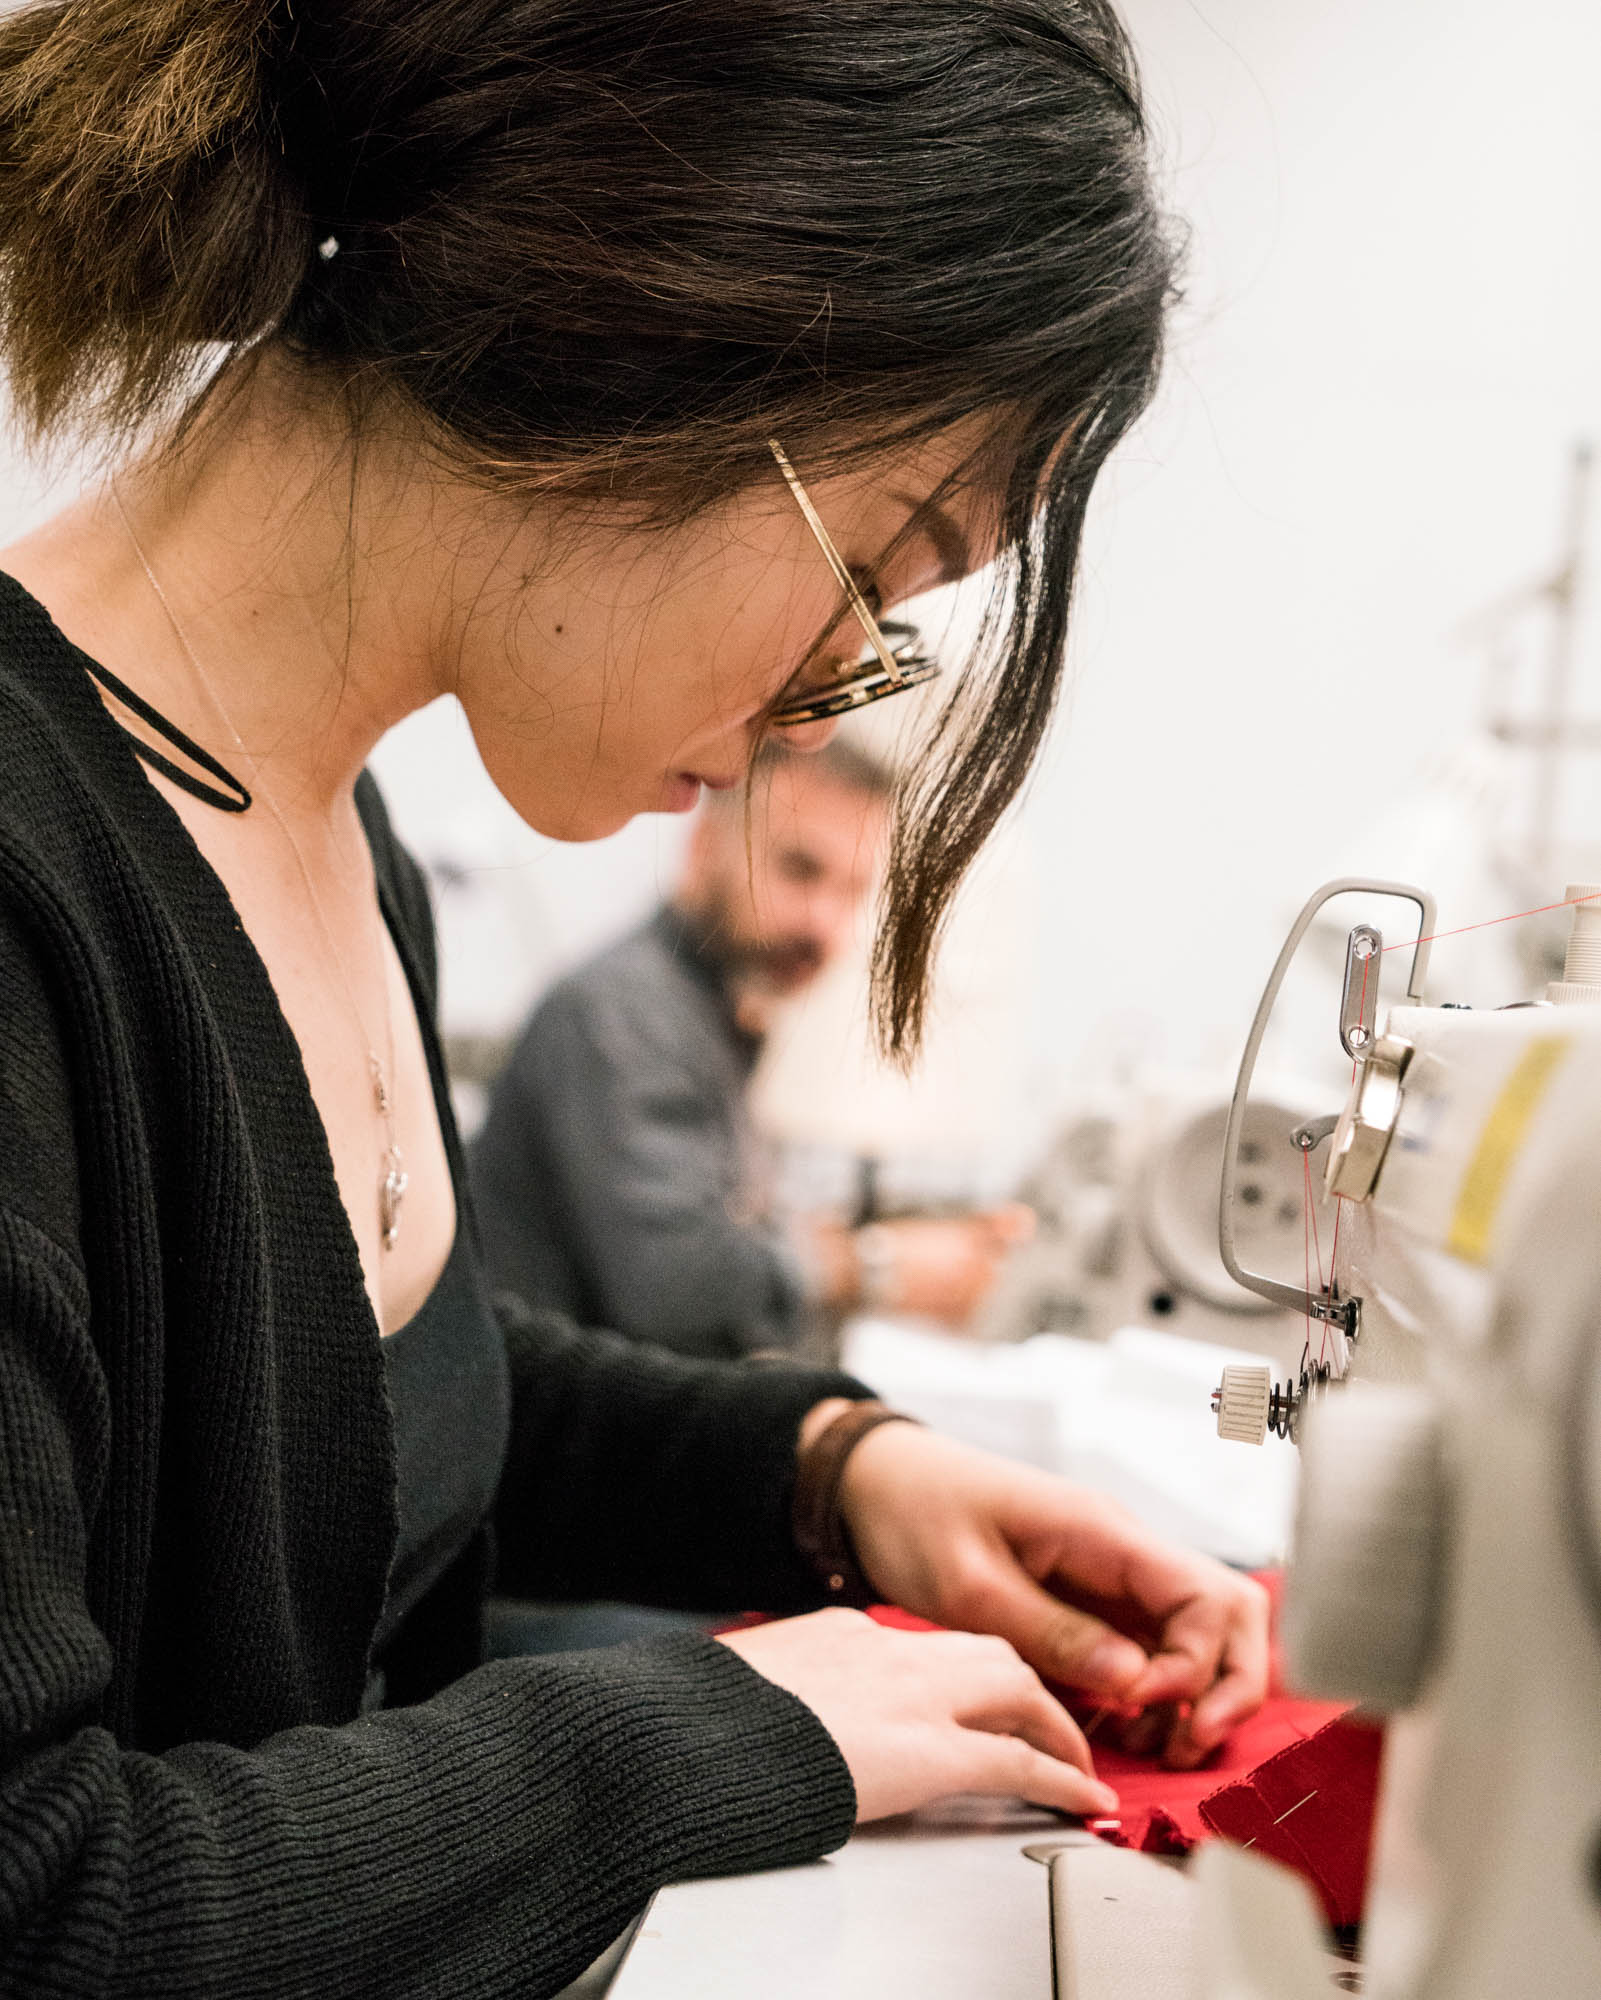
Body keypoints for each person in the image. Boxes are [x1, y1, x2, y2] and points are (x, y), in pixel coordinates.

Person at [0, 3, 1269, 1995]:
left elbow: (340, 1371)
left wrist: (836, 1474)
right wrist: (714, 1734)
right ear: (654, 332)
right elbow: (41, 1902)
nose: (816, 711)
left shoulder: (333, 842)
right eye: (877, 582)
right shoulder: (23, 882)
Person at [471, 736, 1034, 1359]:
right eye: (799, 870)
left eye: (851, 891)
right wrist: (880, 1267)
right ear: (703, 848)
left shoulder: (712, 1016)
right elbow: (673, 1282)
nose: (824, 922)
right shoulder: (623, 1011)